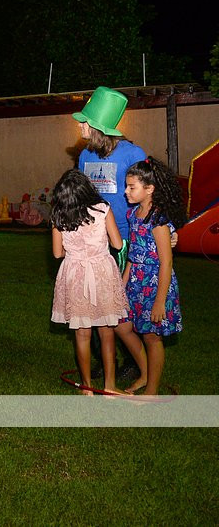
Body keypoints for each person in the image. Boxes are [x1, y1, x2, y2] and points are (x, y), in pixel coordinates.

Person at [74, 86, 147, 381]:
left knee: (121, 305)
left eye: (84, 121)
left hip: (125, 240)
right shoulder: (84, 156)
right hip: (93, 241)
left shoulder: (133, 154)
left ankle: (132, 361)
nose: (80, 126)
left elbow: (147, 196)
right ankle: (106, 361)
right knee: (93, 303)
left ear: (97, 127)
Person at [50, 169, 129, 395]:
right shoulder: (103, 209)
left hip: (75, 274)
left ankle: (87, 388)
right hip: (102, 272)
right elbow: (117, 244)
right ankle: (110, 386)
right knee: (107, 332)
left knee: (82, 333)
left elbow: (57, 253)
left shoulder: (59, 215)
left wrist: (76, 250)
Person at [114, 157, 187, 395]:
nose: (126, 192)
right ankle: (145, 374)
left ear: (149, 189)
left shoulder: (158, 221)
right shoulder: (133, 215)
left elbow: (166, 262)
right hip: (135, 282)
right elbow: (133, 254)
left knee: (152, 338)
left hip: (155, 285)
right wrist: (122, 285)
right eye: (126, 186)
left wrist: (159, 301)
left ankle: (152, 391)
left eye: (131, 187)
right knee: (122, 327)